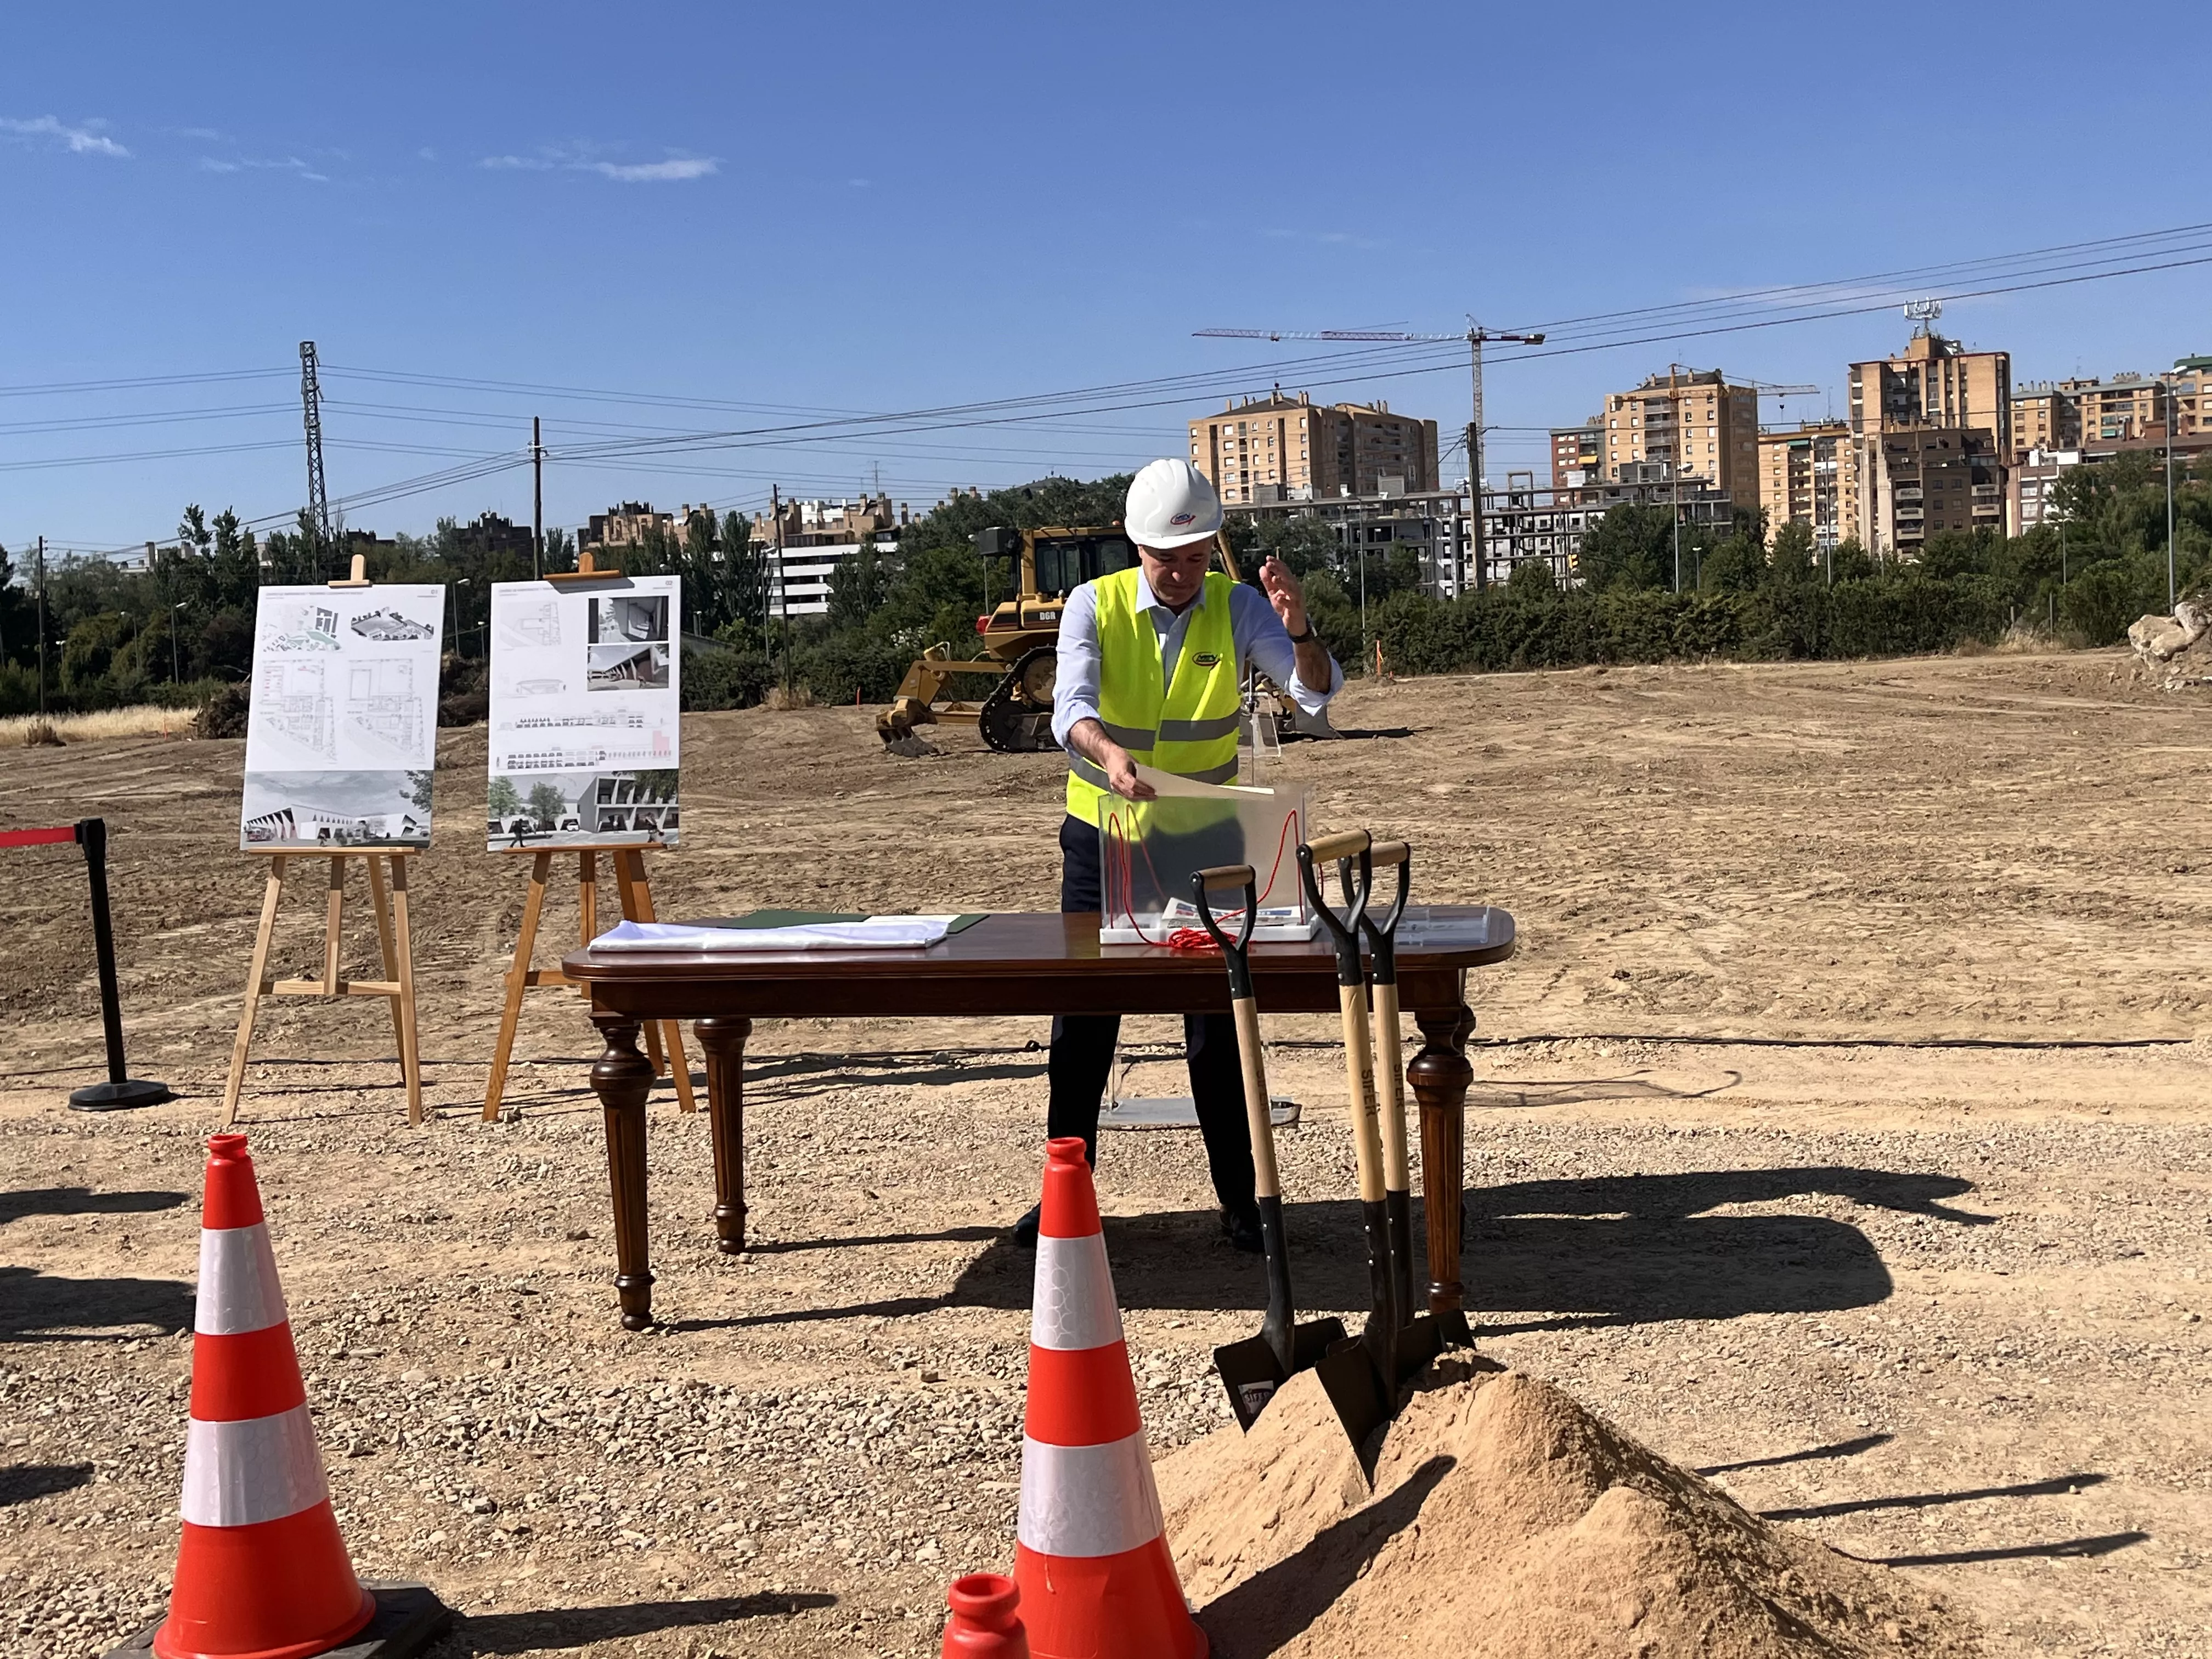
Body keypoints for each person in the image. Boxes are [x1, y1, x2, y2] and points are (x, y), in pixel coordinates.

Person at [1012, 458, 1342, 1251]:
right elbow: (1072, 710)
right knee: (1084, 1023)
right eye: (1167, 559)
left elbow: (1315, 696)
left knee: (1218, 1022)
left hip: (1205, 837)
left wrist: (1298, 628)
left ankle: (1241, 1200)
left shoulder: (1236, 607)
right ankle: (1065, 1196)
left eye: (1197, 558)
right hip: (1105, 833)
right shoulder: (1093, 606)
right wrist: (1109, 755)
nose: (1183, 575)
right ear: (1137, 547)